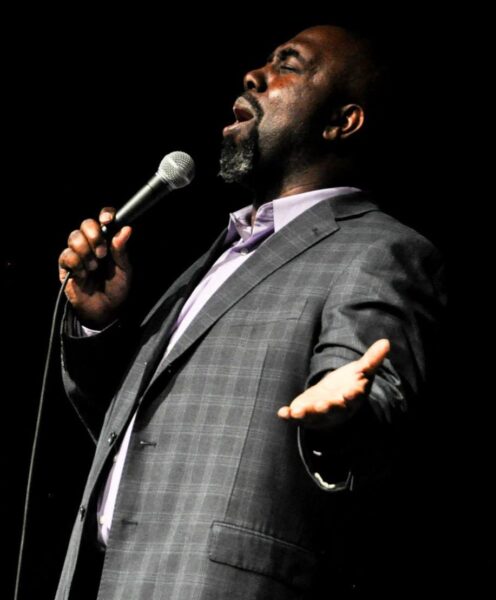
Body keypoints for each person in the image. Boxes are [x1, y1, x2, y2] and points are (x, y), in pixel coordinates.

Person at [55, 24, 446, 599]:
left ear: (342, 121)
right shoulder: (216, 257)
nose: (254, 76)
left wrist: (341, 424)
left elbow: (371, 398)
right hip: (107, 581)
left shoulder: (379, 249)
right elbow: (134, 431)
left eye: (288, 64)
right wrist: (100, 322)